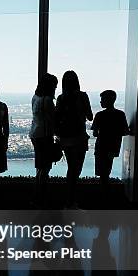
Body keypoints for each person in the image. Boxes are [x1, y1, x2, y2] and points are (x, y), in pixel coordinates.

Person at [55, 71, 93, 208]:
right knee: (76, 169)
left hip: (65, 138)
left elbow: (56, 117)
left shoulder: (61, 98)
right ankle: (71, 200)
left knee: (71, 168)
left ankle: (69, 200)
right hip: (80, 137)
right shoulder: (82, 96)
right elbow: (90, 116)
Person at [91, 90, 129, 197]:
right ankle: (106, 194)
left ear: (108, 100)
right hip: (113, 146)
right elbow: (125, 131)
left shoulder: (99, 115)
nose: (100, 102)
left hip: (101, 146)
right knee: (107, 170)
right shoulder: (120, 114)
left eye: (102, 99)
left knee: (102, 173)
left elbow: (94, 133)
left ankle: (103, 194)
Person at [29, 74, 59, 207]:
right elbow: (54, 118)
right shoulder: (47, 100)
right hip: (45, 136)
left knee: (40, 166)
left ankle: (37, 195)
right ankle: (40, 196)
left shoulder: (35, 98)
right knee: (45, 167)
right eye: (54, 85)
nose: (56, 87)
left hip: (35, 134)